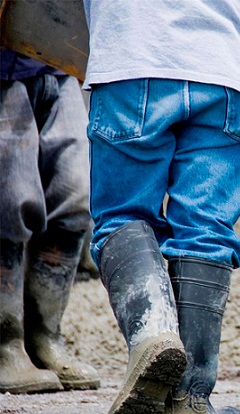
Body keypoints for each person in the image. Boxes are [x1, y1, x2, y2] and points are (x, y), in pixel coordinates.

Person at [81, 0, 240, 412]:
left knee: (123, 217)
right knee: (204, 232)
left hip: (133, 61)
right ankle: (190, 398)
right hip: (230, 73)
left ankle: (153, 336)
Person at [0, 48, 101, 393]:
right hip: (3, 69)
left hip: (56, 62)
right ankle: (5, 345)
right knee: (9, 199)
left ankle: (44, 339)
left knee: (76, 194)